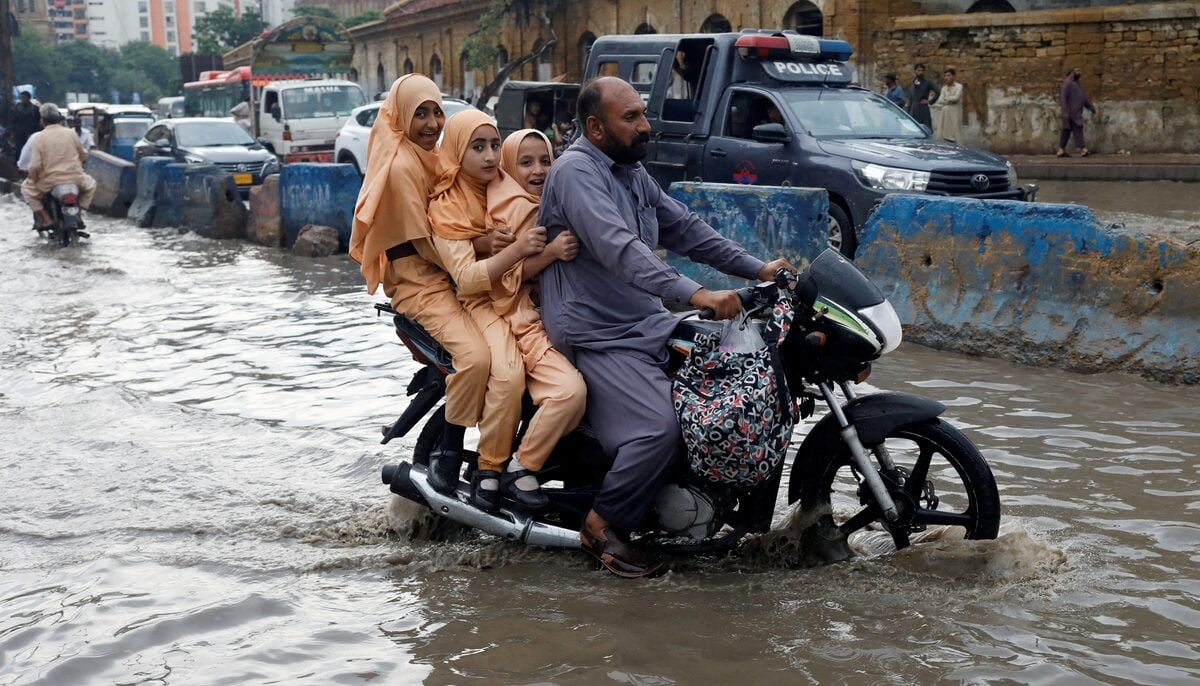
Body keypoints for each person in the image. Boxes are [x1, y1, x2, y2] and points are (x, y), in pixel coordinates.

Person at [536, 77, 795, 577]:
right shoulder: (575, 172)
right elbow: (619, 247)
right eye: (630, 117)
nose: (645, 125)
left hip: (645, 320)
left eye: (642, 114)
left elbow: (686, 229)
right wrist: (697, 294)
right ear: (595, 126)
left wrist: (758, 269)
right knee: (661, 427)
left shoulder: (631, 172)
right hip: (598, 332)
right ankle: (603, 525)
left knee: (721, 391)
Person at [350, 75, 500, 499]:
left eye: (437, 111)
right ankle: (450, 451)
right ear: (399, 117)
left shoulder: (428, 157)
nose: (433, 123)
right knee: (475, 357)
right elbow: (427, 243)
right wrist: (480, 247)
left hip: (450, 272)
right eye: (421, 113)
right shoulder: (400, 166)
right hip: (421, 281)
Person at [423, 110, 531, 512]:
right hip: (483, 299)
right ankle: (489, 469)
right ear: (455, 150)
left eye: (495, 145)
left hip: (528, 291)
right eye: (478, 147)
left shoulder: (510, 183)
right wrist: (516, 249)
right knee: (507, 373)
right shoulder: (447, 206)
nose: (490, 157)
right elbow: (467, 279)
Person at [485, 128, 587, 510]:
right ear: (509, 166)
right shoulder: (515, 211)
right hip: (522, 319)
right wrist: (554, 253)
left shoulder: (547, 203)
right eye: (525, 162)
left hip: (555, 313)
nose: (538, 169)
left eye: (545, 160)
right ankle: (520, 467)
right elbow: (511, 274)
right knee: (570, 392)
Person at [21, 103, 97, 232]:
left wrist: (33, 178)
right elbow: (83, 155)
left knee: (26, 190)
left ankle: (46, 219)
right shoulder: (71, 134)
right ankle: (79, 213)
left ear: (43, 120)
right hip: (75, 179)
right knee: (91, 185)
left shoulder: (39, 138)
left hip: (49, 181)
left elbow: (34, 165)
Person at [1057, 66, 1096, 157]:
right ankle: (1082, 149)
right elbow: (1063, 97)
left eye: (1080, 70)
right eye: (1077, 70)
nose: (1080, 72)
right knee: (1077, 128)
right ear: (1071, 72)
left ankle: (1061, 150)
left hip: (1075, 111)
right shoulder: (1067, 83)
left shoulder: (1077, 84)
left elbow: (1083, 97)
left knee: (1066, 131)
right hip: (1071, 112)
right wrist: (1065, 111)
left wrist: (1090, 107)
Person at [930, 68, 963, 142]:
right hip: (945, 113)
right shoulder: (944, 88)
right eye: (945, 76)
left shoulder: (959, 86)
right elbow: (940, 100)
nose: (946, 78)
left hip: (954, 113)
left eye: (948, 75)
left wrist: (946, 99)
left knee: (955, 132)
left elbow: (956, 98)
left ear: (953, 76)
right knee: (944, 133)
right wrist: (947, 99)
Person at [908, 64, 935, 129]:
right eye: (919, 70)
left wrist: (929, 101)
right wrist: (908, 112)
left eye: (922, 71)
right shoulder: (913, 83)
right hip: (913, 110)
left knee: (925, 129)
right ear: (915, 71)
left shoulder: (927, 83)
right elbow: (911, 98)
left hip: (923, 110)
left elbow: (938, 92)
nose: (921, 72)